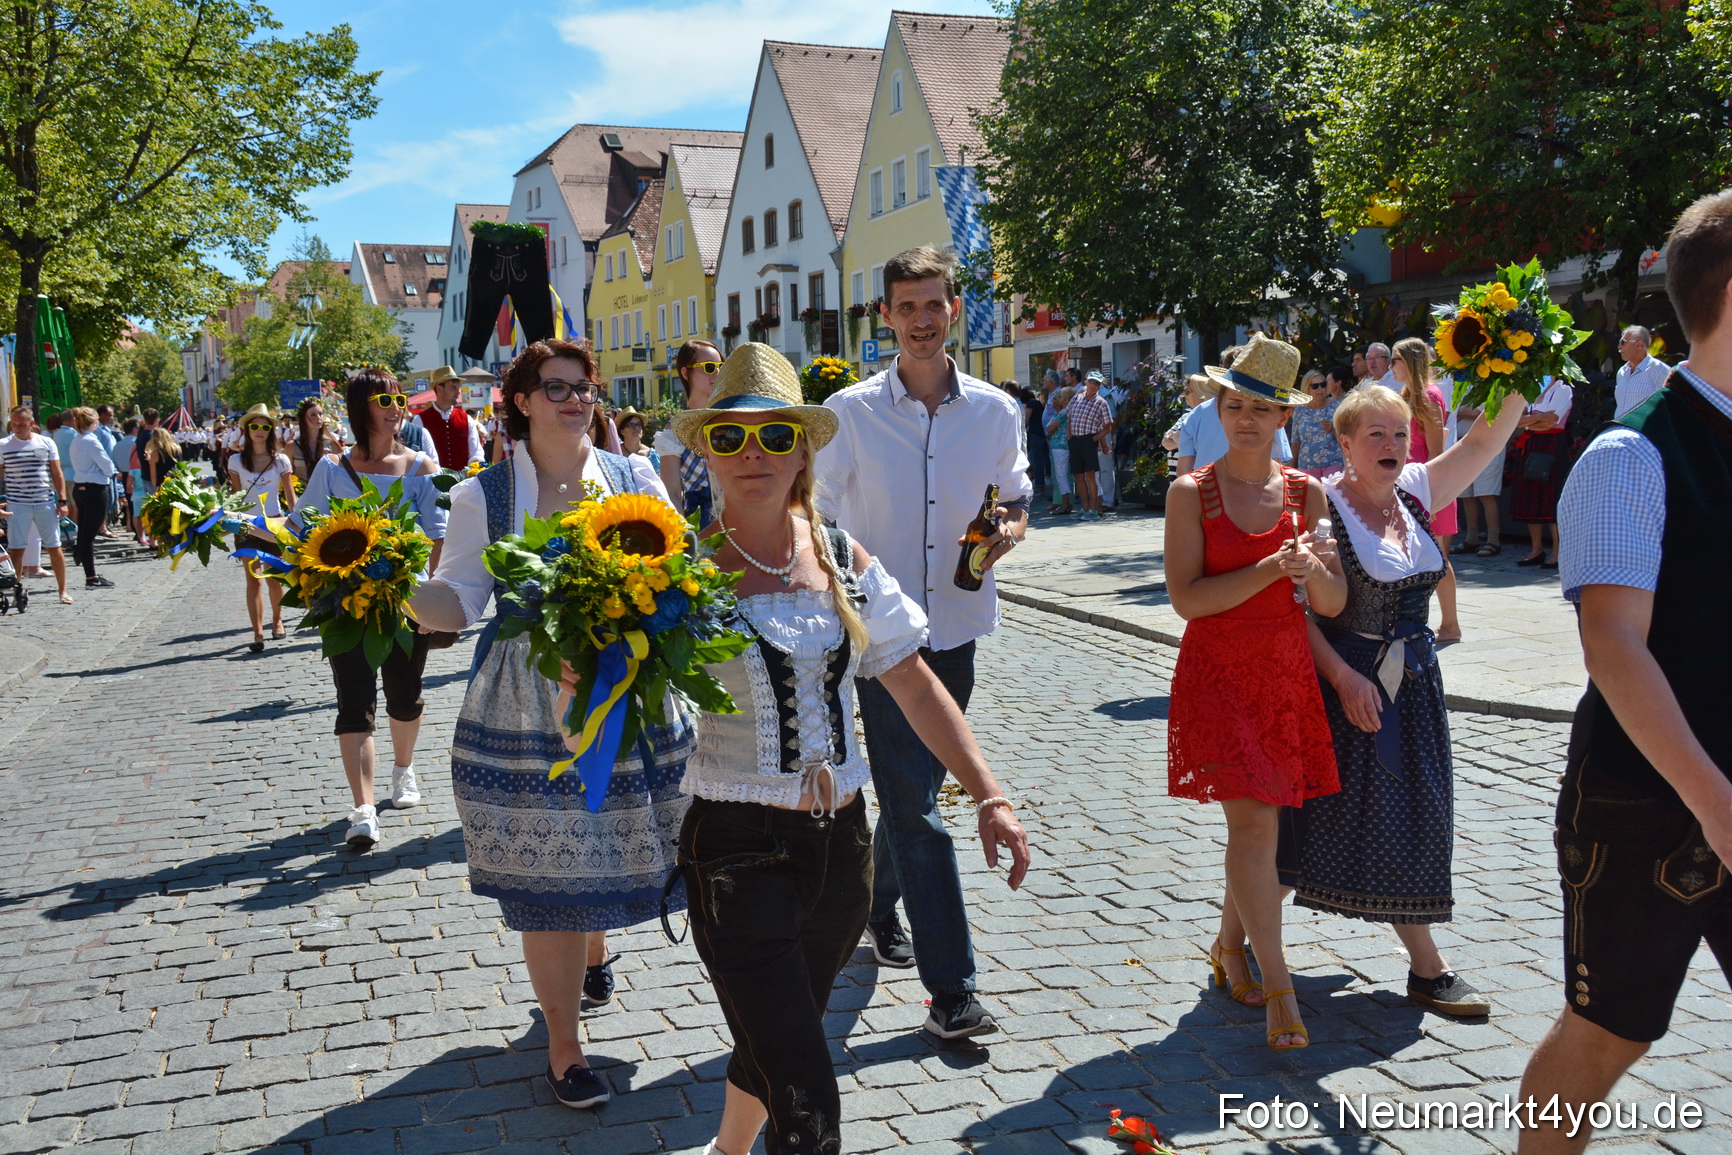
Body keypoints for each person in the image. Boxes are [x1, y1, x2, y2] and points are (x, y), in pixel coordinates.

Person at [666, 344, 1030, 1155]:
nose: (751, 454)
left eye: (772, 436)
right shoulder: (676, 574)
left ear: (803, 446)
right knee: (805, 1087)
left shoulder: (840, 556)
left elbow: (913, 683)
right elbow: (608, 707)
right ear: (708, 451)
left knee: (779, 1029)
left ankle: (726, 1151)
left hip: (842, 852)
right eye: (729, 438)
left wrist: (990, 794)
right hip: (734, 850)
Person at [406, 338, 690, 1112]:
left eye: (584, 388)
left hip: (629, 693)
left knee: (617, 845)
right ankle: (565, 1046)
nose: (575, 400)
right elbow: (459, 599)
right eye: (556, 388)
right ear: (521, 400)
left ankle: (594, 944)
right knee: (554, 877)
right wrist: (399, 587)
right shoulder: (485, 497)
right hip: (530, 705)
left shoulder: (634, 479)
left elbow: (680, 572)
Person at [1514, 190, 1732, 1154]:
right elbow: (1615, 648)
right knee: (1610, 1032)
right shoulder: (1631, 453)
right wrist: (1718, 805)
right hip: (1645, 804)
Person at [817, 245, 1032, 1040]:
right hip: (879, 636)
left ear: (955, 308)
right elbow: (822, 513)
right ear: (886, 315)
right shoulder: (850, 412)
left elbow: (1015, 496)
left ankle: (876, 902)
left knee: (916, 787)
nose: (920, 320)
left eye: (933, 304)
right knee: (917, 804)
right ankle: (953, 991)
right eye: (905, 306)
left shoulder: (995, 411)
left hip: (960, 626)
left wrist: (1006, 529)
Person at [1281, 384, 1526, 1021]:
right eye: (1376, 435)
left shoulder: (1414, 492)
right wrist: (1340, 678)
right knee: (1300, 823)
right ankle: (1426, 966)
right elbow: (1294, 612)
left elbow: (1485, 440)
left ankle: (1421, 965)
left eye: (1399, 434)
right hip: (1352, 686)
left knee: (1410, 815)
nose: (1391, 446)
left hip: (1414, 685)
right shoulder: (1321, 504)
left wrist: (1522, 365)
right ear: (1344, 443)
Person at [1164, 333, 1344, 1051]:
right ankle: (1280, 986)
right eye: (1234, 404)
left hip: (1283, 673)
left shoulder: (1307, 493)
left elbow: (1330, 603)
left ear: (1283, 420)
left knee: (1262, 827)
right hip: (1219, 674)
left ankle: (1228, 947)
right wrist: (1273, 567)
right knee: (1256, 827)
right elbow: (1188, 599)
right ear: (1219, 408)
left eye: (1260, 409)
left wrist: (1311, 570)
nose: (1245, 419)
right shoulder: (1190, 491)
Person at [291, 370, 446, 849]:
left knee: (405, 696)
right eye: (385, 398)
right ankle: (362, 808)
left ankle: (403, 770)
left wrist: (433, 596)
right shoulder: (332, 468)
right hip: (344, 602)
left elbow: (438, 534)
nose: (396, 406)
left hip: (405, 600)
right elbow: (301, 528)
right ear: (362, 407)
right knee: (353, 700)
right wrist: (239, 526)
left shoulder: (420, 466)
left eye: (399, 398)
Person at [1391, 338, 1461, 642]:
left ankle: (1450, 624)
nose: (1392, 366)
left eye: (1395, 359)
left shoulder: (1429, 397)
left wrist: (1431, 498)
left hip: (1428, 489)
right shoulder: (1406, 395)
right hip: (1409, 487)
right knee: (1413, 557)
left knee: (1437, 559)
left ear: (1410, 362)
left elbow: (1436, 452)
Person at [230, 403, 297, 653]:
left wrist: (300, 520)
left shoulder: (280, 460)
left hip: (273, 523)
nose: (259, 431)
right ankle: (257, 633)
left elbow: (290, 498)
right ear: (247, 430)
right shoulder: (236, 460)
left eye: (264, 426)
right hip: (246, 525)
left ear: (271, 430)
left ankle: (277, 620)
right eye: (255, 426)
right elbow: (235, 497)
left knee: (273, 578)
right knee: (253, 579)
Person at [655, 339, 723, 525]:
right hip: (701, 520)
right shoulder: (675, 429)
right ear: (686, 373)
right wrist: (684, 537)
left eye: (720, 366)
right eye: (709, 367)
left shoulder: (731, 419)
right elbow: (672, 493)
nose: (717, 373)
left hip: (739, 514)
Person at [1510, 376, 1573, 568]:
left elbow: (1551, 422)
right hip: (1531, 444)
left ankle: (1557, 551)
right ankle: (1536, 549)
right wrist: (1537, 418)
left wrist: (1528, 422)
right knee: (1531, 496)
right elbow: (1515, 420)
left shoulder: (1564, 390)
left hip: (1552, 446)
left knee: (1551, 497)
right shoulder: (1532, 388)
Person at [65, 409, 117, 590]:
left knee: (84, 533)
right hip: (95, 488)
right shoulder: (91, 440)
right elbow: (107, 464)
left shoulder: (76, 440)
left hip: (81, 486)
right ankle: (91, 577)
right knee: (88, 534)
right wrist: (109, 472)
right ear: (93, 421)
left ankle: (90, 572)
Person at [1450, 396, 1505, 556]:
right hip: (1464, 445)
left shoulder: (1492, 385)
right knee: (1467, 494)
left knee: (1486, 493)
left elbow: (1480, 413)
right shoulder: (1464, 385)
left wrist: (1459, 411)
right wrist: (1461, 412)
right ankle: (1471, 539)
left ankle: (1493, 541)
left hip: (1487, 445)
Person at [410, 366, 484, 469]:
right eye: (453, 388)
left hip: (463, 482)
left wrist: (474, 467)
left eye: (458, 388)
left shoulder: (466, 419)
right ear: (440, 389)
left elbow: (476, 452)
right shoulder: (419, 420)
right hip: (432, 482)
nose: (458, 392)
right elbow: (415, 455)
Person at [1066, 372, 1112, 520]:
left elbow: (1107, 427)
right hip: (1075, 440)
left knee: (1091, 476)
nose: (1094, 385)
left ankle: (1094, 509)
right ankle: (1085, 508)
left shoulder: (1101, 402)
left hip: (1088, 440)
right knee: (1078, 476)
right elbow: (1069, 417)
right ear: (1086, 382)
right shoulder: (1076, 398)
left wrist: (1094, 440)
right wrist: (1070, 436)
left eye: (1097, 383)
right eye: (1092, 381)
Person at [1289, 369, 1343, 478]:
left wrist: (1333, 429)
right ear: (1307, 388)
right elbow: (1296, 442)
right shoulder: (1300, 411)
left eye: (1323, 385)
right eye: (1315, 386)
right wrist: (1290, 470)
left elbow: (1347, 438)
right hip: (1306, 466)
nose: (1320, 389)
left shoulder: (1336, 407)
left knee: (1333, 495)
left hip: (1333, 464)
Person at [1612, 325, 1669, 419]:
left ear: (1639, 345)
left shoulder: (1659, 370)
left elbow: (1669, 405)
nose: (1619, 346)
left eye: (1623, 342)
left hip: (1645, 432)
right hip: (1621, 431)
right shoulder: (1622, 372)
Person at [290, 396, 342, 484]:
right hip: (302, 495)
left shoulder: (332, 445)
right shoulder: (292, 446)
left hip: (326, 495)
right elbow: (288, 477)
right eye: (313, 415)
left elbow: (340, 474)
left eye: (320, 414)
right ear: (303, 418)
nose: (318, 418)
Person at [1045, 386, 1075, 516]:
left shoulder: (1064, 412)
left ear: (1066, 398)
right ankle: (1066, 502)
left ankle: (1065, 504)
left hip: (1060, 446)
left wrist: (1051, 429)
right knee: (1064, 476)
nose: (1059, 399)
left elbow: (1051, 427)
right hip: (1065, 445)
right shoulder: (1071, 410)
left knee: (1061, 476)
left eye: (1061, 396)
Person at [613, 406, 657, 471]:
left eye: (639, 425)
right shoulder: (615, 452)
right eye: (631, 425)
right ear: (622, 431)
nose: (636, 428)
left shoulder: (651, 455)